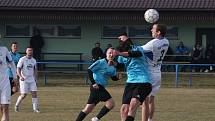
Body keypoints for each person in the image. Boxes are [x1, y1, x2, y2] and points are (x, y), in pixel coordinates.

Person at [75, 47, 121, 121]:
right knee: (111, 104)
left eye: (113, 53)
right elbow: (89, 70)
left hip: (101, 87)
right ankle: (96, 119)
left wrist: (117, 77)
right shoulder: (100, 62)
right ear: (106, 54)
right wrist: (93, 83)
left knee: (88, 109)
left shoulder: (113, 65)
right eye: (110, 53)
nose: (111, 54)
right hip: (97, 87)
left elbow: (113, 78)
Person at [115, 33, 152, 121]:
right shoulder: (121, 53)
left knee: (133, 104)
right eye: (120, 40)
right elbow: (120, 65)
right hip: (130, 82)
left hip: (143, 82)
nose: (121, 41)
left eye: (123, 39)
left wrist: (119, 53)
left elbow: (137, 54)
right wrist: (114, 63)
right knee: (124, 109)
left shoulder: (137, 48)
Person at [141, 24, 169, 121]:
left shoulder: (152, 43)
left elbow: (138, 49)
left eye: (153, 29)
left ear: (158, 32)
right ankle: (150, 120)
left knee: (145, 101)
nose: (151, 30)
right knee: (151, 100)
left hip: (150, 74)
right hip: (158, 73)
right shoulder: (166, 41)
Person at [14, 47, 40, 113]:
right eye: (29, 50)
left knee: (34, 93)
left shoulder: (34, 60)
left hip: (31, 79)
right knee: (23, 95)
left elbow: (35, 70)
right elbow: (18, 69)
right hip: (24, 79)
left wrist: (36, 79)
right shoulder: (22, 59)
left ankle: (35, 109)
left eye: (31, 50)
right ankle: (16, 105)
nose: (30, 52)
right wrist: (20, 76)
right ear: (26, 51)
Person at [0, 44, 17, 121]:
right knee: (1, 108)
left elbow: (12, 63)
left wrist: (15, 77)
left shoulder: (4, 49)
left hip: (4, 82)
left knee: (5, 108)